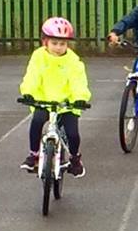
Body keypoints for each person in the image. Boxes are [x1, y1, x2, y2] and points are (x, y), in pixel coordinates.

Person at [20, 17, 92, 178]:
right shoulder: (39, 57)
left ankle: (74, 159)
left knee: (72, 133)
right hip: (43, 101)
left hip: (67, 103)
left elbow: (78, 81)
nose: (58, 48)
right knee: (37, 121)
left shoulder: (73, 60)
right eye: (54, 43)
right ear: (45, 42)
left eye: (62, 44)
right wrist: (28, 93)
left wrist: (80, 97)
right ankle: (34, 155)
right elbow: (32, 76)